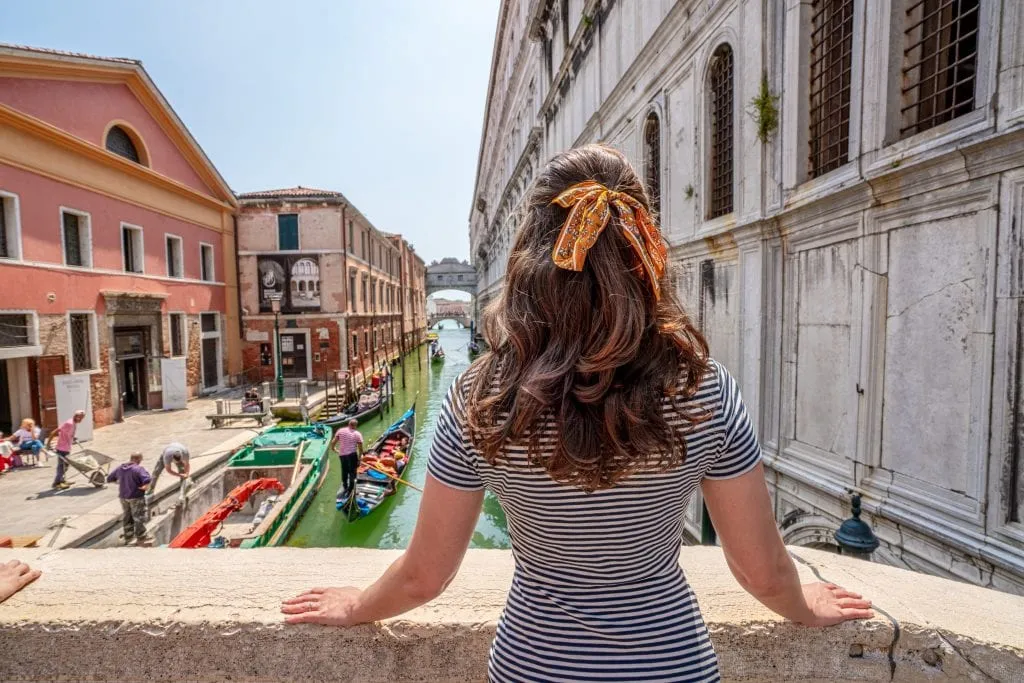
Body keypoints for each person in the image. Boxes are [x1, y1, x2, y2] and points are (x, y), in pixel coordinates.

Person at [282, 145, 873, 681]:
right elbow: (762, 573)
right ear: (646, 252)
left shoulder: (479, 397)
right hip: (671, 667)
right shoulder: (705, 391)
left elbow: (424, 576)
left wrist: (357, 605)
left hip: (532, 667)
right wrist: (805, 604)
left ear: (530, 254)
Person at [107, 452, 153, 546]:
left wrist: (120, 482)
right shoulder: (138, 468)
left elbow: (109, 478)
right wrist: (145, 487)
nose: (140, 461)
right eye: (140, 459)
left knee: (127, 516)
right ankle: (141, 536)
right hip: (136, 496)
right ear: (138, 459)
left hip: (123, 497)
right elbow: (147, 479)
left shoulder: (120, 468)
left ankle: (128, 536)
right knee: (138, 516)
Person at [45, 410, 85, 490]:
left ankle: (62, 480)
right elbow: (54, 432)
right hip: (62, 448)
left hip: (66, 447)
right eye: (80, 418)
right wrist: (48, 444)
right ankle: (56, 483)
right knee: (61, 466)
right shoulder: (69, 423)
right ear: (76, 416)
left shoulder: (74, 423)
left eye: (82, 418)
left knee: (66, 465)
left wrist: (73, 437)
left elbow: (68, 434)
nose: (81, 420)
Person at [335, 419, 363, 498]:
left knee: (344, 470)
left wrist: (334, 449)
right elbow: (360, 448)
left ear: (349, 424)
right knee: (352, 472)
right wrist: (360, 459)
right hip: (352, 455)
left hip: (342, 455)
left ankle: (345, 486)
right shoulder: (357, 434)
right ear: (355, 426)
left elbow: (333, 442)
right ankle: (351, 490)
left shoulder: (340, 431)